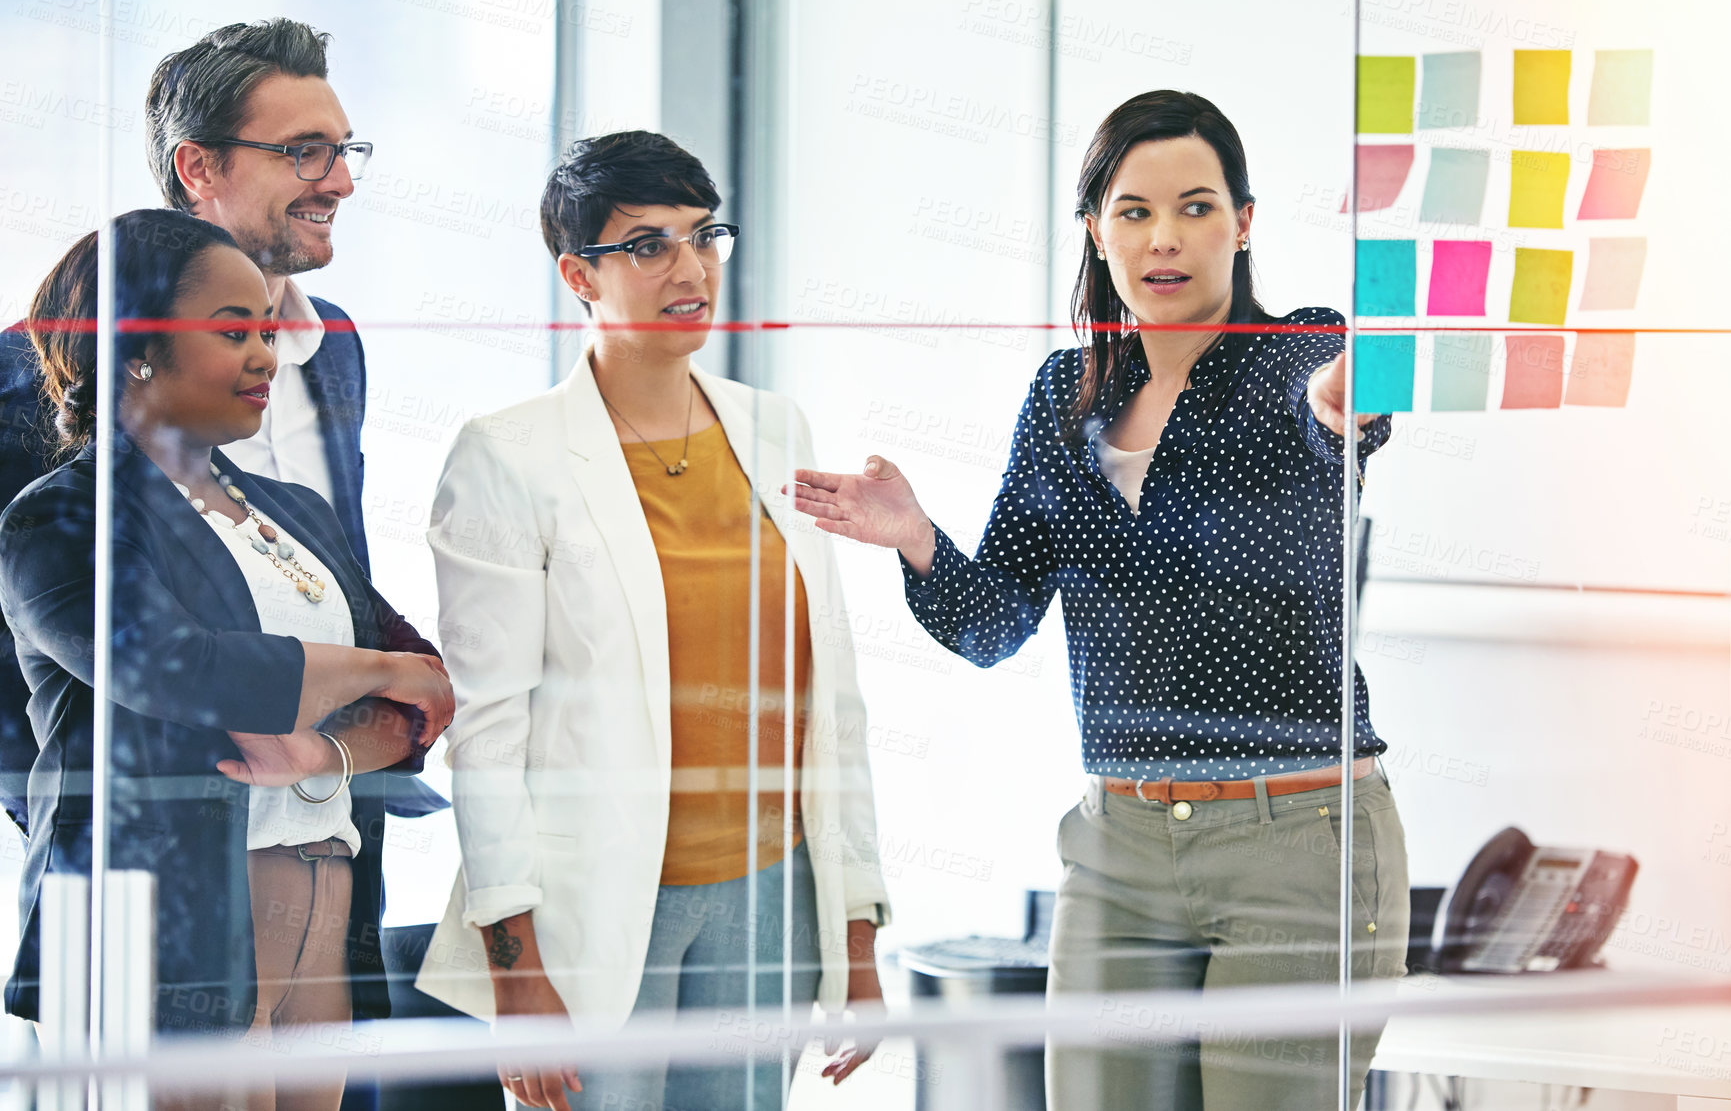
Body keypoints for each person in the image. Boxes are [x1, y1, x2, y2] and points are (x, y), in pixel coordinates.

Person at [790, 90, 1411, 1110]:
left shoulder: (1299, 353)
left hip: (1299, 838)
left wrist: (1344, 402)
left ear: (1244, 223)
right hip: (1118, 848)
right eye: (1134, 211)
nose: (1165, 238)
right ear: (1096, 228)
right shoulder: (1060, 397)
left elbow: (1332, 417)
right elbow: (993, 623)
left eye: (1198, 207)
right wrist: (914, 538)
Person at [414, 131, 892, 1111]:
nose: (691, 268)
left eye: (702, 235)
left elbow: (829, 693)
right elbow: (490, 735)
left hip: (770, 892)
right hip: (598, 901)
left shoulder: (774, 427)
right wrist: (517, 973)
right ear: (577, 274)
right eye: (647, 245)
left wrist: (855, 937)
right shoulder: (509, 456)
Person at [0, 209, 454, 1110]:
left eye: (267, 331)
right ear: (137, 350)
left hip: (325, 898)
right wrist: (369, 671)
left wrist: (325, 751)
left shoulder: (296, 512)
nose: (266, 356)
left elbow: (428, 691)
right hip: (159, 922)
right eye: (231, 331)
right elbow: (179, 669)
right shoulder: (58, 519)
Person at [0, 18, 447, 835]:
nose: (340, 181)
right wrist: (58, 815)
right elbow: (33, 625)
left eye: (348, 150)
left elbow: (338, 584)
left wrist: (353, 749)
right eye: (305, 151)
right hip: (151, 847)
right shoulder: (39, 367)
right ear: (199, 166)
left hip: (331, 816)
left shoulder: (333, 347)